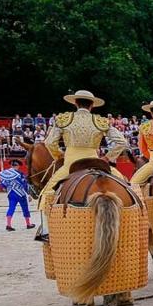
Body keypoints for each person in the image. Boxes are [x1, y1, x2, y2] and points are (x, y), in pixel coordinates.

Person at [36, 90, 128, 240]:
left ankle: (46, 231)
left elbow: (49, 142)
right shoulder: (100, 121)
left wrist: (59, 155)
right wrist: (107, 157)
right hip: (96, 163)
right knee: (125, 183)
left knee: (46, 194)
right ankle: (133, 220)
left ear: (75, 103)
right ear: (92, 105)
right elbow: (121, 142)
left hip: (71, 164)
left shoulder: (65, 119)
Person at [0, 158, 35, 231]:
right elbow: (24, 184)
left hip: (11, 193)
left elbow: (2, 183)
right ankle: (28, 224)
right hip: (20, 193)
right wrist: (28, 194)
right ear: (18, 166)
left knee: (11, 208)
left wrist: (5, 187)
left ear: (11, 165)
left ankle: (8, 225)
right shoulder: (19, 174)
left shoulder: (5, 173)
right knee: (25, 208)